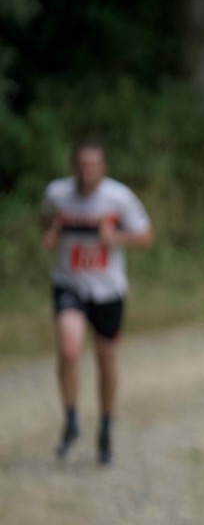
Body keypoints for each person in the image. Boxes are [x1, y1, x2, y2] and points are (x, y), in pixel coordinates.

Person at [40, 137, 153, 465]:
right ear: (73, 165)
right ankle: (71, 420)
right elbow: (45, 220)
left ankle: (105, 428)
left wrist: (115, 237)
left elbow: (146, 237)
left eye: (93, 165)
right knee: (69, 348)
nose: (86, 171)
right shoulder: (57, 193)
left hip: (107, 291)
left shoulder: (119, 198)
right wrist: (51, 232)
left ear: (103, 167)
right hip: (69, 284)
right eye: (81, 164)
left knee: (106, 360)